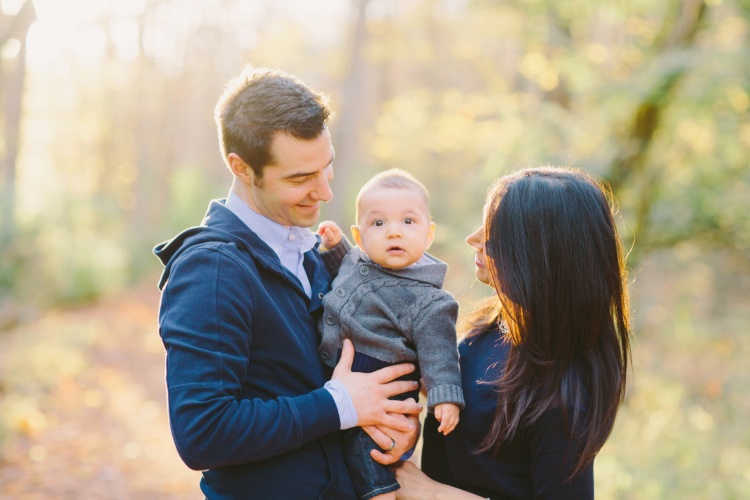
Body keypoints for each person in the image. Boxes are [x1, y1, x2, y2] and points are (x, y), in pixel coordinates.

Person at [153, 66, 422, 499]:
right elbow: (202, 433)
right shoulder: (213, 270)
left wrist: (390, 423)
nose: (324, 192)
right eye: (299, 179)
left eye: (326, 168)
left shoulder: (316, 252)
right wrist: (340, 405)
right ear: (241, 167)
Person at [395, 166, 632, 499]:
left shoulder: (563, 398)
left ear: (538, 252)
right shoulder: (492, 330)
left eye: (494, 231)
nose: (473, 239)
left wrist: (428, 492)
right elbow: (476, 406)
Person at [315, 169, 464, 500]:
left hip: (385, 396)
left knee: (369, 455)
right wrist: (336, 248)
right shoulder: (358, 260)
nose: (394, 232)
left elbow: (439, 351)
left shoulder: (430, 300)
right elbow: (348, 273)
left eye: (408, 222)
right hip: (342, 389)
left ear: (428, 233)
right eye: (378, 223)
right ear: (360, 235)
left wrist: (446, 395)